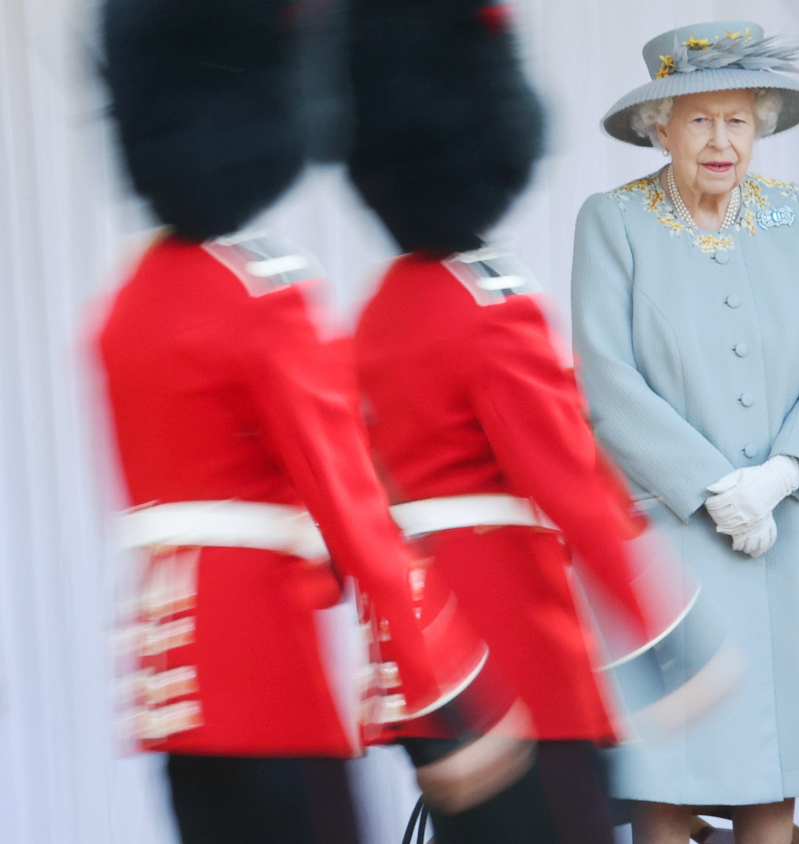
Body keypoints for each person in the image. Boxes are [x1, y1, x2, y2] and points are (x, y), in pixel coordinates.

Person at [95, 1, 526, 841]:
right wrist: (442, 697)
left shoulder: (123, 308)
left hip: (168, 676)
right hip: (263, 666)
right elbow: (349, 510)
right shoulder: (265, 295)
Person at [343, 1, 655, 841]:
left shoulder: (373, 316)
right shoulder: (492, 305)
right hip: (523, 654)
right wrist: (666, 623)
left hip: (426, 656)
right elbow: (571, 481)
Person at [570, 20, 799, 844]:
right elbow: (607, 380)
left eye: (736, 118)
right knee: (668, 788)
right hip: (670, 544)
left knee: (774, 788)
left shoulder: (795, 217)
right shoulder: (613, 221)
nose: (720, 139)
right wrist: (712, 487)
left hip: (785, 536)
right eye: (697, 119)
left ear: (760, 123)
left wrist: (779, 474)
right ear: (658, 128)